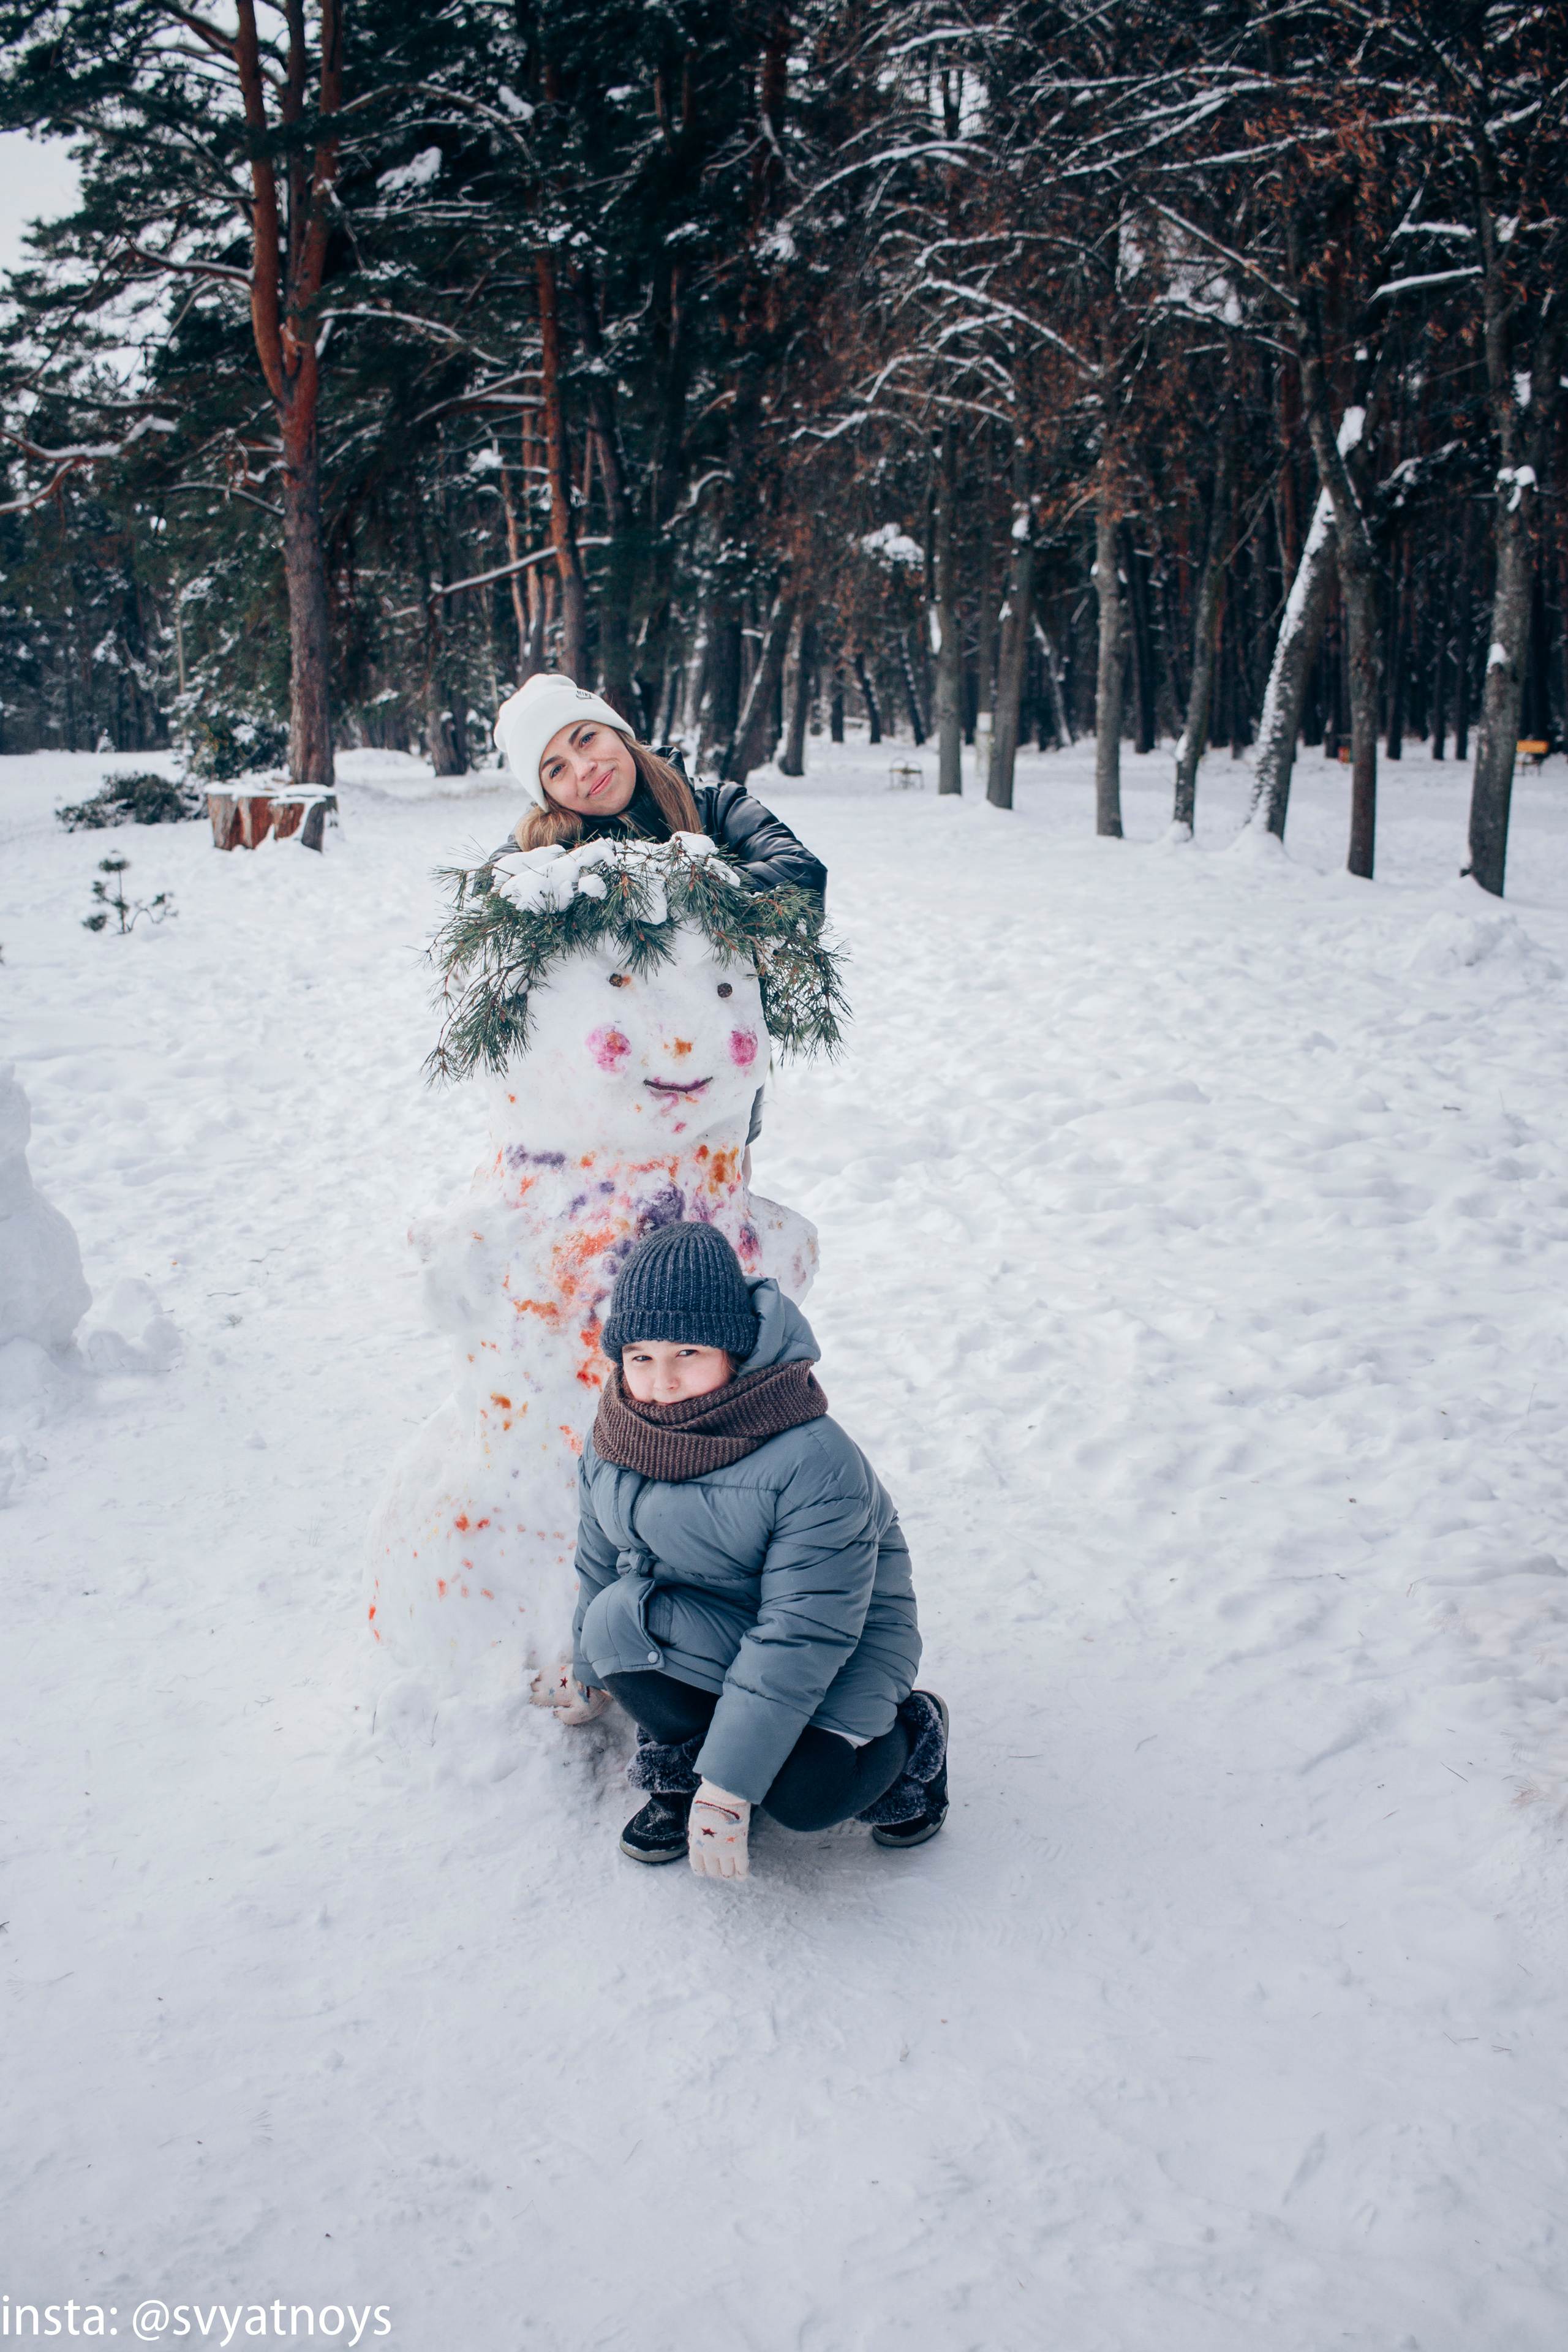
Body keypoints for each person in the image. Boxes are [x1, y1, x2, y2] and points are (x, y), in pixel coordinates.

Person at [560, 1219, 949, 1879]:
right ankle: (686, 1767)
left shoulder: (813, 1458)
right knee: (613, 1622)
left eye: (687, 1352)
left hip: (839, 1645)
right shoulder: (618, 1434)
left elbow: (804, 1630)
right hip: (716, 1627)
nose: (662, 1381)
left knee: (803, 1796)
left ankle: (914, 1740)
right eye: (640, 1357)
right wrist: (588, 1670)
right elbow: (599, 1562)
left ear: (734, 1350)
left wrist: (731, 1785)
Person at [486, 670, 826, 898]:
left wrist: (673, 887)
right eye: (557, 770)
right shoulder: (538, 844)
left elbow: (804, 874)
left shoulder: (717, 806)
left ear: (619, 733)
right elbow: (483, 900)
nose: (584, 768)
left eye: (587, 738)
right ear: (547, 796)